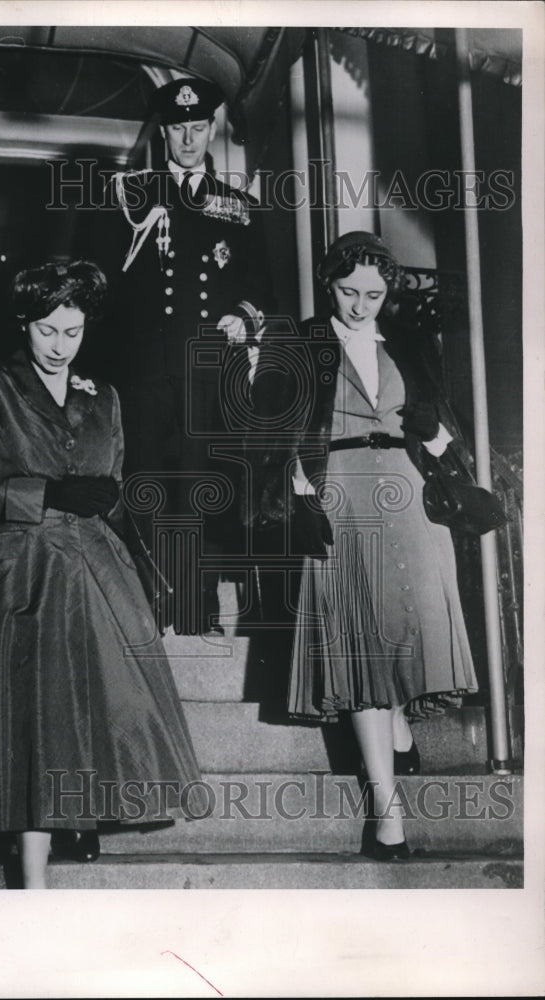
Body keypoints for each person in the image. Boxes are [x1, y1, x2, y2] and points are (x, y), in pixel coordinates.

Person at [0, 260, 202, 888]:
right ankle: (33, 880)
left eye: (72, 333)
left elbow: (116, 485)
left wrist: (118, 517)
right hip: (23, 570)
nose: (58, 346)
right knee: (33, 717)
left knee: (101, 709)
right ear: (24, 324)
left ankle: (81, 814)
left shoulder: (104, 395)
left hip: (99, 570)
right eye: (47, 331)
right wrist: (44, 493)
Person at [250, 231, 478, 859]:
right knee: (360, 651)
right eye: (349, 291)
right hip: (339, 491)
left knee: (407, 618)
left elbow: (440, 433)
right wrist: (299, 491)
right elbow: (274, 424)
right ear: (330, 284)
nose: (359, 304)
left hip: (409, 493)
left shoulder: (407, 340)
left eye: (373, 294)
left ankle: (400, 725)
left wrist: (433, 436)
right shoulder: (299, 339)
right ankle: (387, 814)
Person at [102, 77, 274, 635]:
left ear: (212, 129)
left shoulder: (239, 205)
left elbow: (264, 288)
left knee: (199, 484)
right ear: (164, 131)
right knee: (146, 480)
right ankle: (149, 602)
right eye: (178, 129)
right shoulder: (133, 194)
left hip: (208, 367)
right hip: (146, 370)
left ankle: (195, 605)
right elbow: (106, 286)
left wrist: (242, 317)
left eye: (198, 128)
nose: (189, 139)